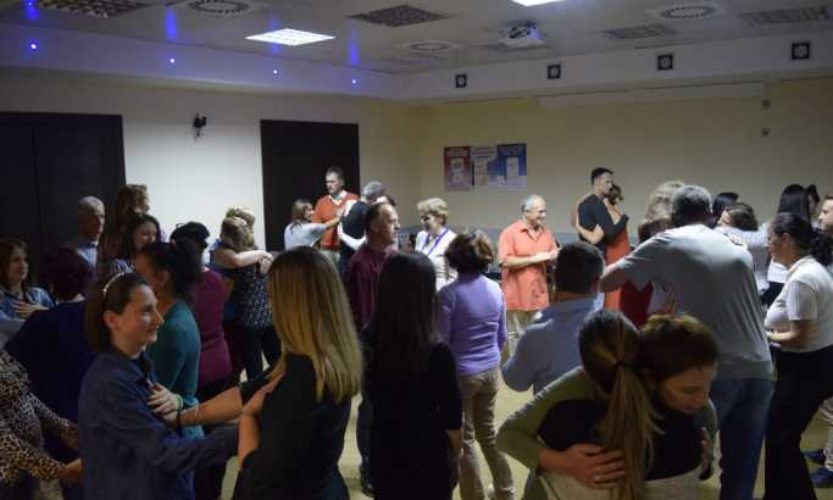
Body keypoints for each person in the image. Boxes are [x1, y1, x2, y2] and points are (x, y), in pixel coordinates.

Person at [601, 185, 773, 500]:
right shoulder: (733, 242)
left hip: (710, 370)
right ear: (710, 215)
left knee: (684, 462)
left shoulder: (666, 242)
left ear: (674, 217)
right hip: (760, 368)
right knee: (742, 469)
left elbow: (607, 280)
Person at [497, 310, 717, 500]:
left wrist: (702, 466)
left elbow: (508, 433)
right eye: (689, 390)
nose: (703, 398)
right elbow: (508, 435)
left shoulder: (699, 414)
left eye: (709, 385)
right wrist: (563, 463)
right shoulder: (577, 392)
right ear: (649, 376)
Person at [78, 272, 237, 500]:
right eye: (146, 311)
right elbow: (166, 452)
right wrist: (237, 436)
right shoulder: (109, 385)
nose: (159, 319)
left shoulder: (138, 363)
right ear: (112, 320)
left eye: (156, 307)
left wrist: (176, 402)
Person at [233, 247, 362, 499]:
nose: (270, 306)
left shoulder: (306, 378)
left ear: (294, 306)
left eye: (273, 298)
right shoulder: (326, 358)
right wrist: (188, 415)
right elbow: (251, 388)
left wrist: (247, 415)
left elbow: (259, 481)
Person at [365, 253, 463, 499]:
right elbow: (453, 421)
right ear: (428, 294)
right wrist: (455, 458)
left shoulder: (367, 340)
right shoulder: (438, 351)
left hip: (383, 448)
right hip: (428, 455)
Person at [5, 248, 95, 500]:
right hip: (100, 416)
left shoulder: (42, 323)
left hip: (61, 424)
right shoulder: (100, 315)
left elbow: (10, 364)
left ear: (51, 283)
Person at [437, 232, 514, 500]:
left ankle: (474, 496)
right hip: (491, 370)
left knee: (465, 439)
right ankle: (505, 491)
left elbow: (442, 343)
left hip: (462, 375)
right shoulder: (496, 289)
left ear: (455, 259)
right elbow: (502, 336)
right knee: (488, 434)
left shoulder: (448, 294)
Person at [763, 213, 833, 499]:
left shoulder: (803, 279)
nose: (767, 245)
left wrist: (764, 335)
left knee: (780, 439)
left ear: (786, 239)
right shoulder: (811, 269)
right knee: (781, 437)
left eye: (769, 239)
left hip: (804, 369)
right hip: (815, 365)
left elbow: (799, 337)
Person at [170, 222, 233, 500]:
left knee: (198, 440)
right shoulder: (216, 280)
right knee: (216, 436)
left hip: (196, 368)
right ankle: (215, 490)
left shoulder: (181, 289)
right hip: (221, 360)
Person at [344, 201, 399, 493]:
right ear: (375, 226)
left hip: (397, 344)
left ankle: (389, 458)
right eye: (391, 221)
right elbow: (363, 316)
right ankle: (369, 465)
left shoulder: (395, 258)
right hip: (372, 349)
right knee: (372, 407)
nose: (397, 225)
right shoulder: (361, 264)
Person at [502, 241, 603, 395]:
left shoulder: (537, 334)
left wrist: (503, 351)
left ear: (554, 277)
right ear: (597, 284)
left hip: (551, 410)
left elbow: (516, 382)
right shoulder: (614, 329)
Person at [0, 349, 82, 500]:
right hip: (6, 479)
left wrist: (62, 427)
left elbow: (23, 395)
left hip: (27, 470)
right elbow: (5, 443)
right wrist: (57, 470)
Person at [217, 216, 279, 380]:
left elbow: (226, 293)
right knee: (276, 361)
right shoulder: (258, 253)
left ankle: (257, 393)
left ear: (228, 236)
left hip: (248, 320)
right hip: (267, 315)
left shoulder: (235, 263)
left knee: (254, 368)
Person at [498, 194, 559, 356]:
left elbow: (553, 256)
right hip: (516, 296)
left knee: (540, 335)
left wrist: (555, 256)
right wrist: (533, 259)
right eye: (540, 212)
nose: (544, 216)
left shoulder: (547, 233)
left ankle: (537, 367)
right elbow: (504, 261)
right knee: (516, 336)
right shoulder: (510, 233)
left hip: (539, 296)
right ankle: (516, 368)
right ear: (526, 212)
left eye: (545, 211)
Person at [574, 183, 629, 309]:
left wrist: (579, 227)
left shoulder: (606, 213)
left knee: (610, 287)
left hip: (614, 253)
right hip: (623, 251)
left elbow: (594, 238)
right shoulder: (617, 211)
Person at [762, 184, 810, 306]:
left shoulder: (771, 225)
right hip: (800, 277)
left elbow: (768, 252)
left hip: (775, 276)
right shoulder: (808, 227)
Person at [0, 238, 54, 339]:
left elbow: (61, 325)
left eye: (25, 260)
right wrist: (41, 316)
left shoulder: (39, 294)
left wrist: (45, 312)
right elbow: (7, 329)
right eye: (15, 260)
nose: (23, 265)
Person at [716, 202, 769, 295]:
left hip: (754, 290)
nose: (718, 222)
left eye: (725, 222)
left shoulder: (753, 243)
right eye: (720, 218)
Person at [576, 168, 629, 258]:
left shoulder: (584, 203)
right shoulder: (598, 205)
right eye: (607, 182)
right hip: (596, 257)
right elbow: (610, 234)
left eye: (611, 182)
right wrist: (624, 219)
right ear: (597, 182)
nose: (610, 186)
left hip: (586, 254)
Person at [337, 181, 386, 275]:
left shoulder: (350, 207)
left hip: (343, 264)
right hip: (357, 268)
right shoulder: (367, 213)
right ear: (375, 197)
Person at [312, 167, 358, 265]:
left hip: (348, 249)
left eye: (332, 182)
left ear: (341, 182)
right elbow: (315, 228)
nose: (329, 185)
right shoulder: (321, 202)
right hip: (326, 251)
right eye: (327, 182)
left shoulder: (353, 199)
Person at [98, 212, 160, 277]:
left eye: (154, 235)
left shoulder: (158, 266)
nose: (151, 239)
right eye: (145, 234)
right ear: (132, 235)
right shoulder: (119, 266)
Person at [415, 197, 457, 290]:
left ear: (440, 219)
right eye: (421, 218)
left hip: (439, 293)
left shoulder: (452, 240)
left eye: (426, 218)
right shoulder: (421, 236)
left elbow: (453, 278)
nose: (422, 222)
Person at [63, 196, 105, 271]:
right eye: (94, 217)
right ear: (82, 221)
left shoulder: (110, 244)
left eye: (102, 216)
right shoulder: (70, 252)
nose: (100, 222)